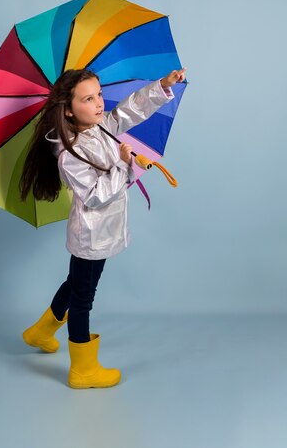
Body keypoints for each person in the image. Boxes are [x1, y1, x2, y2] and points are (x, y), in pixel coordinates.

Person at [19, 66, 186, 389]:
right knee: (84, 295)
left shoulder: (101, 127)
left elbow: (129, 109)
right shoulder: (70, 153)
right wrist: (124, 164)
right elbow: (95, 196)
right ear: (68, 110)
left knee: (78, 282)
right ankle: (82, 368)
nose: (99, 104)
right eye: (88, 99)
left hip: (105, 230)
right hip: (91, 234)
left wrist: (162, 85)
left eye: (98, 94)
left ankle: (40, 331)